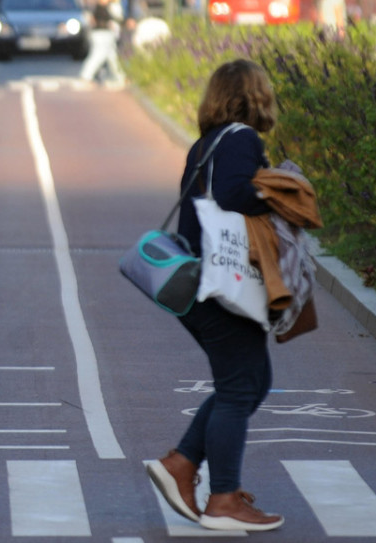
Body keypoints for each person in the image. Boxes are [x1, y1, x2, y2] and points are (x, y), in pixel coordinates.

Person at [145, 59, 284, 532]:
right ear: (254, 95)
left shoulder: (209, 142)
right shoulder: (242, 139)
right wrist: (280, 192)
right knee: (239, 386)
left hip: (197, 284)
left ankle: (182, 464)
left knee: (250, 379)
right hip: (220, 285)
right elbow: (231, 196)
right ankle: (222, 498)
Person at [79, 0, 125, 85]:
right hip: (100, 34)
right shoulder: (96, 8)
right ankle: (86, 75)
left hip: (107, 34)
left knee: (112, 56)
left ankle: (120, 76)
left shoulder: (110, 7)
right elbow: (91, 20)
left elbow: (118, 18)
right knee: (98, 54)